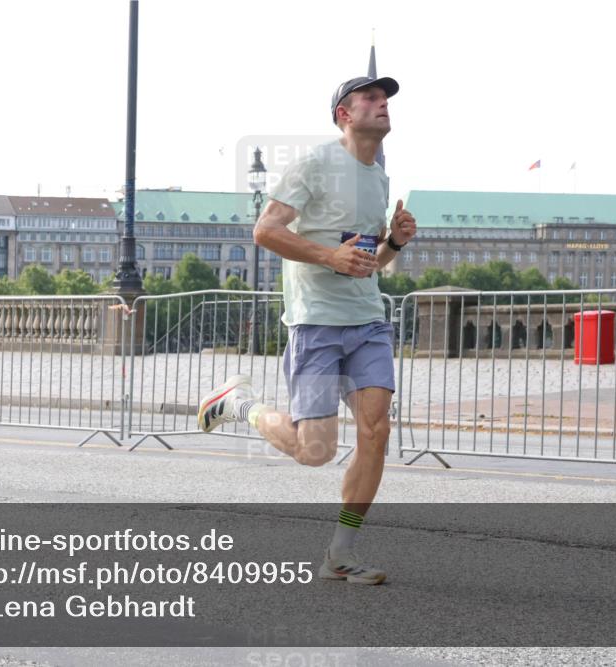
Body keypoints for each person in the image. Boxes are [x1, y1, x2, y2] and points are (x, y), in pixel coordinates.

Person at [197, 75, 417, 584]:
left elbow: (368, 263)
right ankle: (239, 404)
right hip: (316, 323)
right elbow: (265, 230)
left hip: (367, 322)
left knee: (376, 431)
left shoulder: (379, 176)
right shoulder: (315, 163)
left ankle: (341, 551)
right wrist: (326, 254)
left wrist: (395, 245)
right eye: (371, 98)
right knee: (314, 452)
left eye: (386, 99)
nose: (382, 104)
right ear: (344, 113)